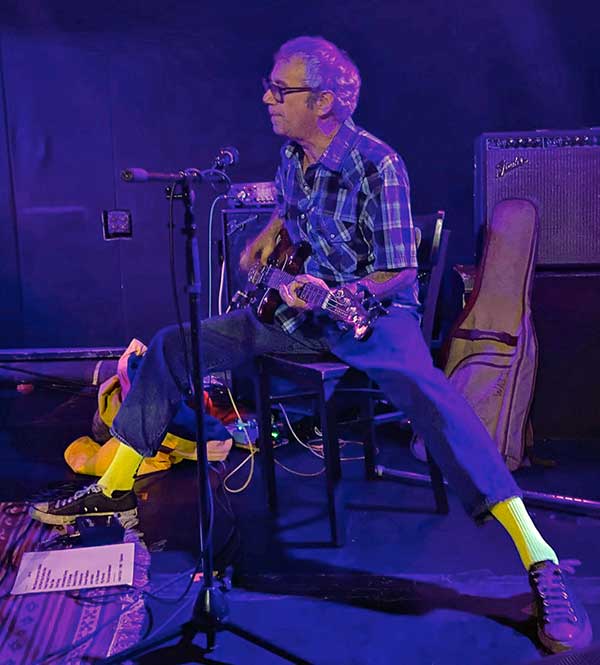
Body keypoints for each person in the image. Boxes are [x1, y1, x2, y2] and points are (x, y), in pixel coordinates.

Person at [30, 36, 591, 654]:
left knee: (441, 406)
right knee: (169, 347)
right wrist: (265, 242)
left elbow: (400, 270)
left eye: (280, 88)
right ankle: (113, 486)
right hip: (295, 316)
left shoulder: (379, 165)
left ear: (325, 101)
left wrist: (334, 289)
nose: (266, 97)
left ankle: (542, 562)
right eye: (271, 86)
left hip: (371, 317)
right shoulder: (292, 156)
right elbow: (292, 216)